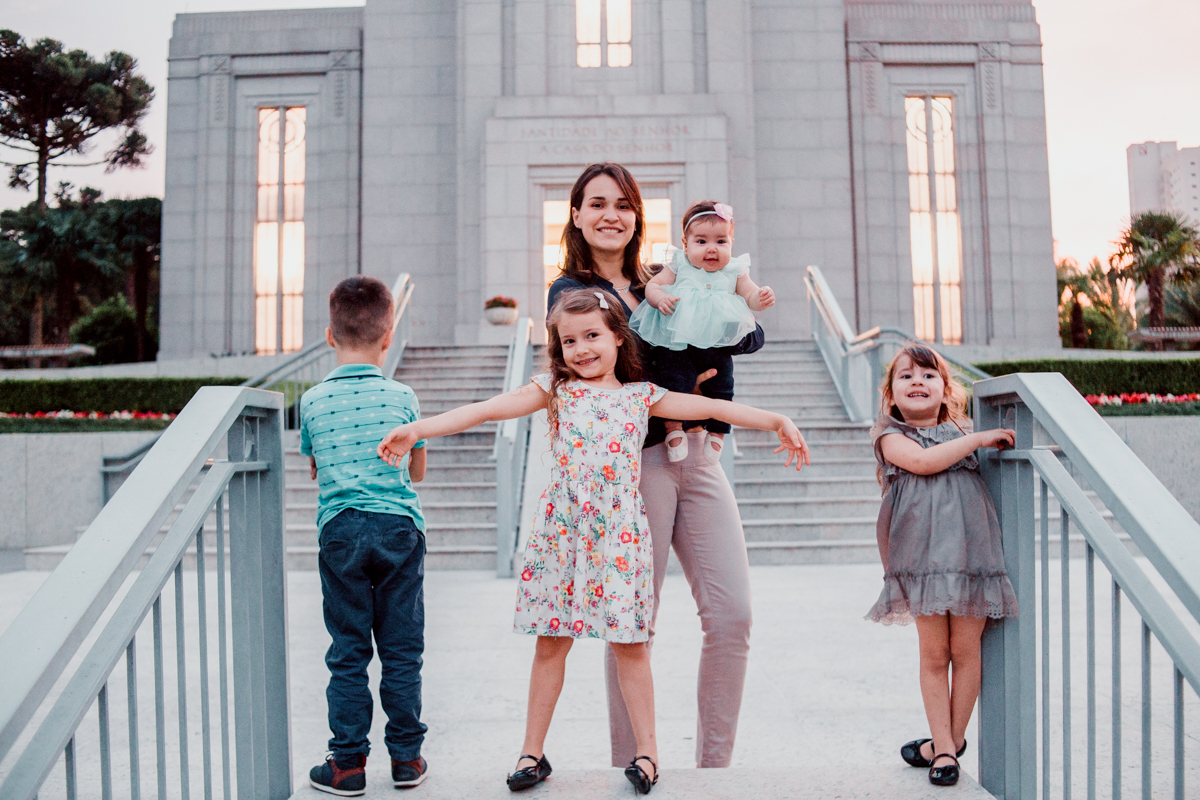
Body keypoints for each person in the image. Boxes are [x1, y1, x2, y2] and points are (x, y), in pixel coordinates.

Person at [377, 289, 809, 794]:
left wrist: (777, 419)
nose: (582, 349)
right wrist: (418, 429)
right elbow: (487, 410)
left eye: (592, 336)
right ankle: (531, 752)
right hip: (562, 537)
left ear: (616, 338)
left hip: (619, 541)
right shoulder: (554, 391)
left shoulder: (641, 396)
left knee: (630, 645)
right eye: (569, 341)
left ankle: (647, 754)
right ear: (557, 349)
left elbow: (709, 405)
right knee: (551, 645)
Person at [546, 162, 764, 769]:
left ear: (638, 215)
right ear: (577, 215)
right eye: (596, 203)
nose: (610, 214)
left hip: (699, 454)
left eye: (623, 203)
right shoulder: (571, 292)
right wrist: (686, 373)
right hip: (634, 465)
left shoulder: (665, 277)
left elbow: (735, 332)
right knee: (631, 625)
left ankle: (713, 769)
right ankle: (631, 765)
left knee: (733, 615)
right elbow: (610, 367)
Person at [866, 344, 1019, 787]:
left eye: (929, 376)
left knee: (965, 652)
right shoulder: (891, 435)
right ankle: (947, 748)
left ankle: (945, 745)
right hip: (921, 562)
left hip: (971, 558)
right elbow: (923, 463)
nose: (918, 382)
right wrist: (976, 439)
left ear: (946, 388)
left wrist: (981, 435)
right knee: (935, 655)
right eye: (906, 376)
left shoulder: (967, 428)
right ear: (891, 394)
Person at [301, 276, 431, 795]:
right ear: (389, 334)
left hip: (340, 532)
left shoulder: (312, 401)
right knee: (402, 650)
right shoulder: (403, 396)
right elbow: (416, 472)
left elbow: (316, 468)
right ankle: (407, 760)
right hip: (399, 529)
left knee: (348, 650)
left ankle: (347, 764)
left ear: (330, 335)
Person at [629, 200, 775, 463]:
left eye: (721, 241)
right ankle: (673, 428)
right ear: (685, 244)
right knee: (673, 379)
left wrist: (759, 298)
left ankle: (718, 433)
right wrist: (658, 298)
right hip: (678, 343)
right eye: (701, 241)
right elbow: (654, 285)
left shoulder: (735, 270)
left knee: (723, 383)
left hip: (717, 345)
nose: (712, 249)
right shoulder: (679, 265)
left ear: (731, 242)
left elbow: (749, 293)